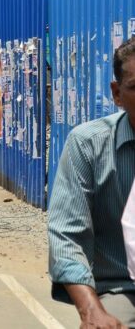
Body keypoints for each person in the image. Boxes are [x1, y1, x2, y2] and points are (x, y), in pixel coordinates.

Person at [49, 37, 135, 327]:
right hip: (123, 288)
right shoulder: (88, 145)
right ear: (117, 93)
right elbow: (67, 234)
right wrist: (90, 309)